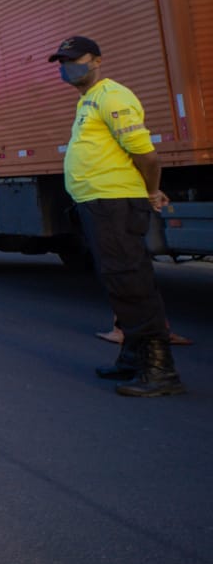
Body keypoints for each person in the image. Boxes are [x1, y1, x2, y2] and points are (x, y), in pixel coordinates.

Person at [50, 35, 187, 398]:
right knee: (118, 281)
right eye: (62, 62)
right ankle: (131, 358)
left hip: (116, 204)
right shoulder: (88, 100)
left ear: (96, 60)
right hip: (100, 204)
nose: (66, 67)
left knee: (131, 281)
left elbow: (147, 155)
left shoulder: (112, 96)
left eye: (73, 59)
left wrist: (151, 190)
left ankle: (160, 370)